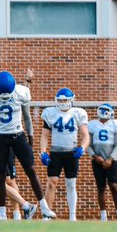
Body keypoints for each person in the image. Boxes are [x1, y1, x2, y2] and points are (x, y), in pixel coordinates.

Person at [0, 71, 51, 221]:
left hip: (17, 136)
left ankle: (42, 207)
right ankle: (1, 212)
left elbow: (26, 115)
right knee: (0, 178)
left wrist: (31, 135)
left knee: (28, 171)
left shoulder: (20, 92)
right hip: (0, 139)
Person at [39, 88, 89, 221]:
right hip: (56, 152)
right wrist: (43, 152)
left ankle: (72, 215)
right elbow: (44, 135)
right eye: (60, 100)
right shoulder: (50, 113)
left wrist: (82, 148)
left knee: (71, 184)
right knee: (51, 182)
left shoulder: (78, 113)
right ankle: (48, 214)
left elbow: (85, 135)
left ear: (71, 100)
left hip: (71, 152)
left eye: (64, 100)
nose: (62, 103)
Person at [87, 103, 117, 222]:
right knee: (101, 188)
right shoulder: (92, 125)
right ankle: (103, 216)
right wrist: (94, 156)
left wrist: (111, 158)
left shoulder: (115, 124)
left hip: (112, 160)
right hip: (97, 160)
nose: (103, 113)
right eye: (102, 110)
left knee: (113, 186)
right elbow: (88, 143)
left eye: (106, 111)